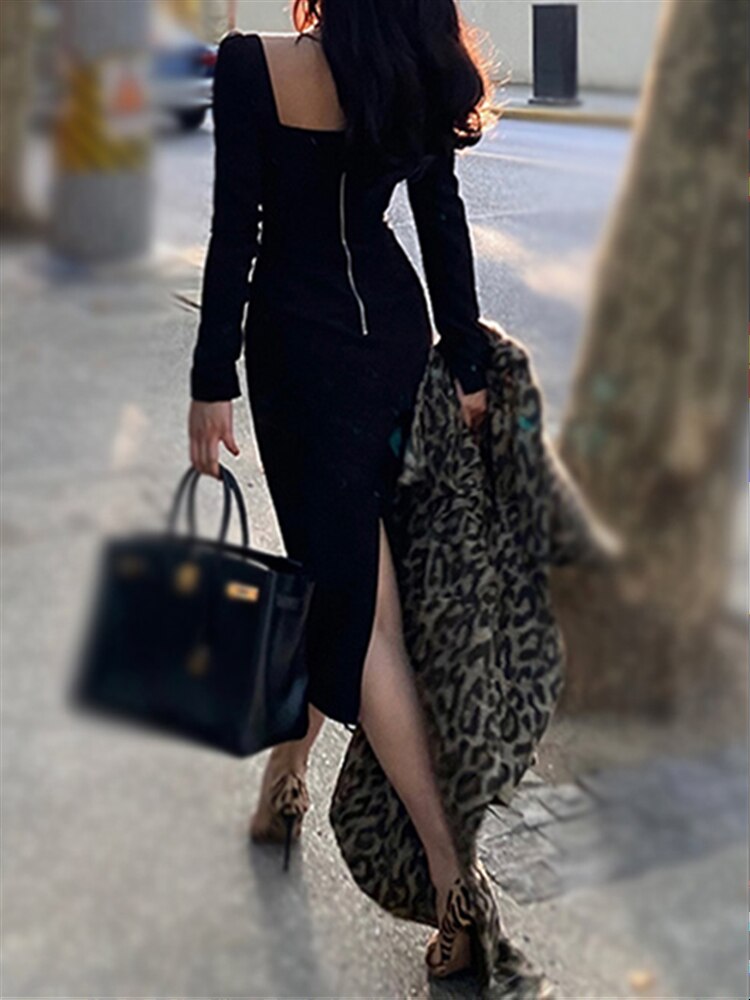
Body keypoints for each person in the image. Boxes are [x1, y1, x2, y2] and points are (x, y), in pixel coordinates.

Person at [187, 0, 497, 979]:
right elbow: (440, 218)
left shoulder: (253, 66)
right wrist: (467, 360)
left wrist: (210, 381)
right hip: (393, 341)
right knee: (335, 574)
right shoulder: (417, 63)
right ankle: (286, 782)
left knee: (362, 616)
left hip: (299, 357)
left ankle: (454, 882)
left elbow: (236, 231)